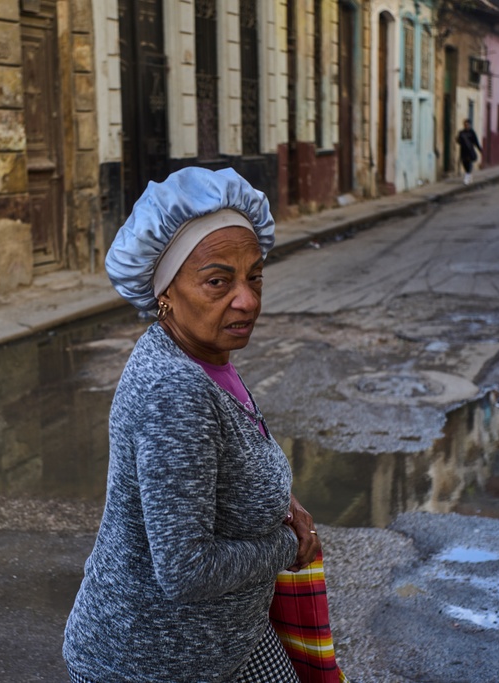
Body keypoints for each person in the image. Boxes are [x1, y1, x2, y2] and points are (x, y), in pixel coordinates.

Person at [63, 167, 335, 682]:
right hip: (154, 663)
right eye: (218, 282)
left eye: (254, 276)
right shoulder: (176, 390)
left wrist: (282, 502)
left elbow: (232, 461)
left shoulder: (205, 355)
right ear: (165, 292)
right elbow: (186, 571)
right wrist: (289, 545)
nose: (247, 299)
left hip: (230, 639)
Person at [456, 119, 482, 185]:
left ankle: (467, 178)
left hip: (470, 151)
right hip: (463, 151)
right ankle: (469, 176)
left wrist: (480, 149)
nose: (466, 126)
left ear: (470, 125)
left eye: (467, 124)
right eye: (465, 125)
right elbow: (459, 141)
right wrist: (457, 140)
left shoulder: (472, 133)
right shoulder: (461, 133)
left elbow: (476, 142)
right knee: (464, 164)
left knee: (469, 164)